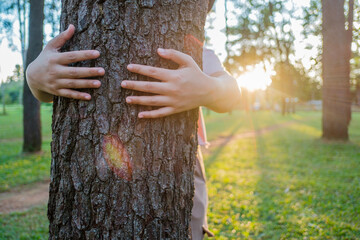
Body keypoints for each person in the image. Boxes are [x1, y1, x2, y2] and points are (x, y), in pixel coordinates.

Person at [26, 1, 241, 239]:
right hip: (92, 164)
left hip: (181, 163)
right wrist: (34, 77)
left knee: (191, 226)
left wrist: (209, 89)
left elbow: (232, 92)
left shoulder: (194, 50)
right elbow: (51, 87)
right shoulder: (77, 39)